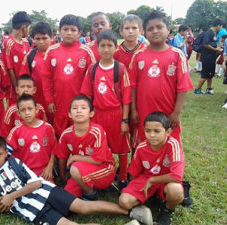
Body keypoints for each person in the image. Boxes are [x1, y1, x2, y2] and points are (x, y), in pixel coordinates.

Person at [0, 135, 153, 225]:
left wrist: (11, 196)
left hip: (47, 192)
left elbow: (37, 183)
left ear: (5, 153)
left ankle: (131, 213)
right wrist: (0, 207)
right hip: (34, 212)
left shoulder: (14, 162)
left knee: (84, 207)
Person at [130, 11, 193, 145]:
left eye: (159, 27)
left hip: (168, 112)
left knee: (169, 144)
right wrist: (134, 109)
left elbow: (182, 88)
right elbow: (133, 85)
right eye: (150, 29)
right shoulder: (138, 56)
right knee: (143, 144)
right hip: (143, 111)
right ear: (144, 33)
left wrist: (176, 113)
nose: (155, 31)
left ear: (168, 29)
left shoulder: (177, 55)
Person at [81, 30, 132, 189]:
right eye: (102, 45)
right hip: (98, 114)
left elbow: (126, 98)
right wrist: (88, 116)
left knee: (121, 148)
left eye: (110, 45)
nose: (106, 49)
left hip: (116, 114)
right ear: (97, 48)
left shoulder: (121, 68)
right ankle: (103, 174)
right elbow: (86, 95)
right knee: (100, 146)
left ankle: (123, 177)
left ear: (116, 48)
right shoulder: (92, 69)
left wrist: (125, 120)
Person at [119, 112, 185, 225]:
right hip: (146, 178)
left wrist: (152, 180)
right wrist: (133, 190)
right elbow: (134, 173)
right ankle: (148, 200)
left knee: (176, 190)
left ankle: (167, 210)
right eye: (147, 131)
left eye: (157, 131)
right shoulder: (141, 148)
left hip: (166, 181)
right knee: (124, 202)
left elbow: (176, 176)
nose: (152, 135)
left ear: (168, 132)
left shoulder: (173, 145)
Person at [42, 14, 95, 136]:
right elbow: (46, 78)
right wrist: (49, 100)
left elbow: (93, 79)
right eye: (65, 29)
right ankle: (61, 155)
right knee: (60, 134)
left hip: (80, 105)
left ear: (79, 33)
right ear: (59, 31)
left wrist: (90, 102)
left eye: (73, 30)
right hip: (58, 103)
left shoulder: (86, 52)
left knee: (80, 134)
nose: (69, 33)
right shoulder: (51, 51)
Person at [58, 95, 116, 200]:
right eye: (75, 108)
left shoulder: (97, 131)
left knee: (75, 168)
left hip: (105, 169)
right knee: (65, 198)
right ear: (70, 114)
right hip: (80, 170)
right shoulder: (66, 134)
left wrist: (75, 157)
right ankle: (84, 190)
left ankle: (90, 194)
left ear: (91, 113)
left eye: (83, 108)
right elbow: (62, 157)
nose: (79, 111)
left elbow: (98, 160)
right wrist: (63, 177)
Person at [114, 15, 146, 151]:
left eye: (134, 28)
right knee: (121, 132)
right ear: (121, 31)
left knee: (139, 133)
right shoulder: (115, 53)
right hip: (120, 100)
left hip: (141, 99)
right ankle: (121, 167)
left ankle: (136, 165)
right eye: (127, 28)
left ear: (141, 31)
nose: (131, 31)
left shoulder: (146, 51)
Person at [5, 94, 54, 181]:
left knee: (51, 192)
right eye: (23, 110)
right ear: (18, 113)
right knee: (28, 193)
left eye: (30, 109)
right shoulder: (16, 131)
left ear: (36, 110)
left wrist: (50, 167)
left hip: (44, 171)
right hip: (24, 171)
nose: (27, 113)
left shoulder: (48, 128)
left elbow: (54, 149)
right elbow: (5, 152)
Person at [20, 22, 52, 118]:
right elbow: (24, 79)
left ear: (51, 37)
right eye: (38, 39)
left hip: (55, 101)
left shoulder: (57, 54)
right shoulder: (30, 56)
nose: (41, 42)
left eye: (44, 38)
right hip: (37, 101)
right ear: (33, 39)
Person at [2, 11, 31, 106]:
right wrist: (17, 89)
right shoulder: (8, 43)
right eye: (29, 28)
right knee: (15, 109)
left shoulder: (26, 42)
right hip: (14, 88)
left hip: (27, 86)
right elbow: (10, 69)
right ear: (24, 27)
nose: (29, 31)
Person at [194, 18, 224, 95]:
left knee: (210, 75)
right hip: (207, 58)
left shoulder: (214, 33)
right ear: (218, 25)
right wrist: (215, 49)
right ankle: (197, 90)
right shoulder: (209, 33)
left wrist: (217, 49)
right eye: (221, 27)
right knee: (205, 75)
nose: (221, 29)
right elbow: (205, 44)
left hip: (212, 58)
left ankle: (209, 89)